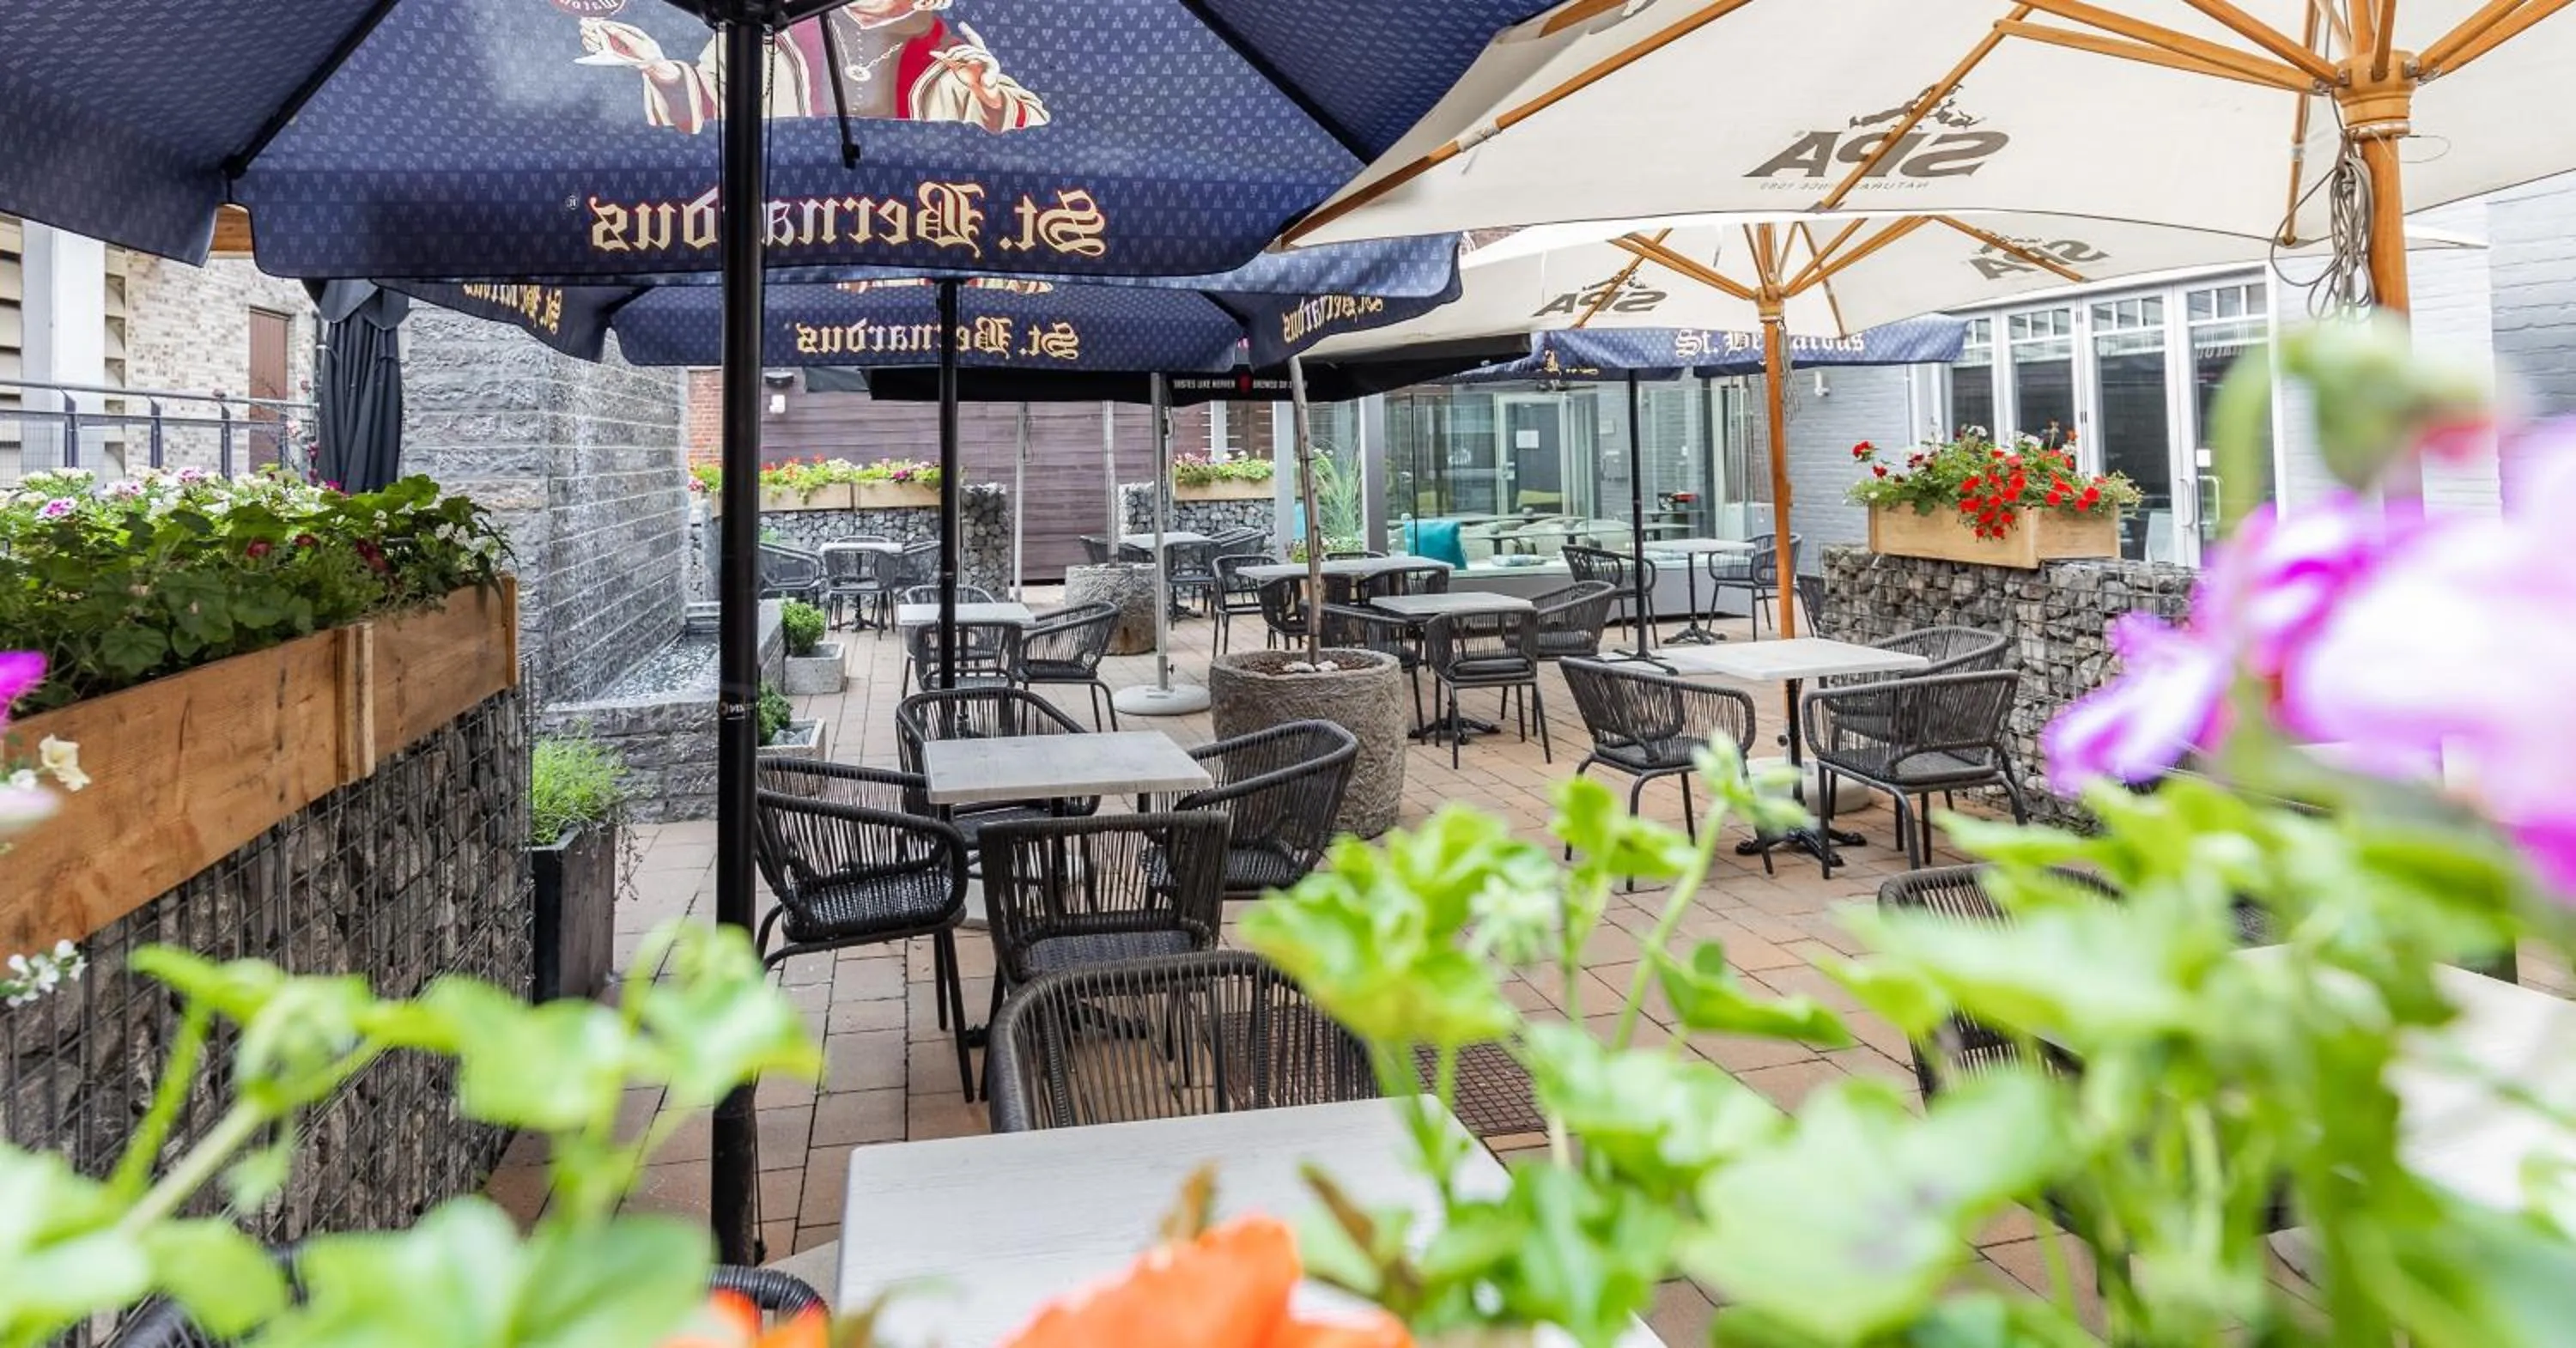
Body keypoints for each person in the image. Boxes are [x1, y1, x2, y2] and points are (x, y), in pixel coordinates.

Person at [576, 0, 1048, 135]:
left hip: (909, 233)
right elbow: (710, 103)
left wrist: (988, 95)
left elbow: (1032, 134)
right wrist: (655, 67)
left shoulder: (948, 59)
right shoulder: (767, 28)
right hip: (790, 219)